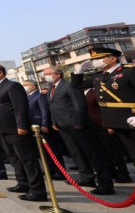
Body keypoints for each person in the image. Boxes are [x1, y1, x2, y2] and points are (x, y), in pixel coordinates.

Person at [72, 47, 135, 208]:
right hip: (119, 124)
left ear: (113, 59)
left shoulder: (132, 72)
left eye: (100, 58)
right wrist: (78, 71)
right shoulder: (99, 77)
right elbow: (77, 86)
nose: (95, 62)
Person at [45, 66, 115, 195]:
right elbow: (53, 106)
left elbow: (79, 104)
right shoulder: (51, 88)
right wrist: (54, 122)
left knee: (91, 153)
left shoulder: (69, 85)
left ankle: (105, 182)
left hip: (76, 124)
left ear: (58, 74)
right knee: (75, 152)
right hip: (62, 125)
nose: (45, 76)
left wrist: (78, 122)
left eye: (48, 74)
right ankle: (86, 177)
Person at [0, 64, 46, 201]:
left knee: (27, 159)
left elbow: (20, 107)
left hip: (14, 129)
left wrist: (22, 125)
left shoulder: (12, 86)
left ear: (0, 73)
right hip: (0, 129)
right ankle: (22, 183)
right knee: (14, 158)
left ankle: (37, 190)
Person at [23, 79, 65, 181]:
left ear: (33, 86)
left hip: (41, 125)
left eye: (26, 85)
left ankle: (60, 171)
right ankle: (49, 169)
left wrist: (44, 124)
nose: (24, 87)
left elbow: (44, 111)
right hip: (33, 127)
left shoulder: (40, 96)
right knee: (42, 151)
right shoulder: (28, 97)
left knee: (51, 149)